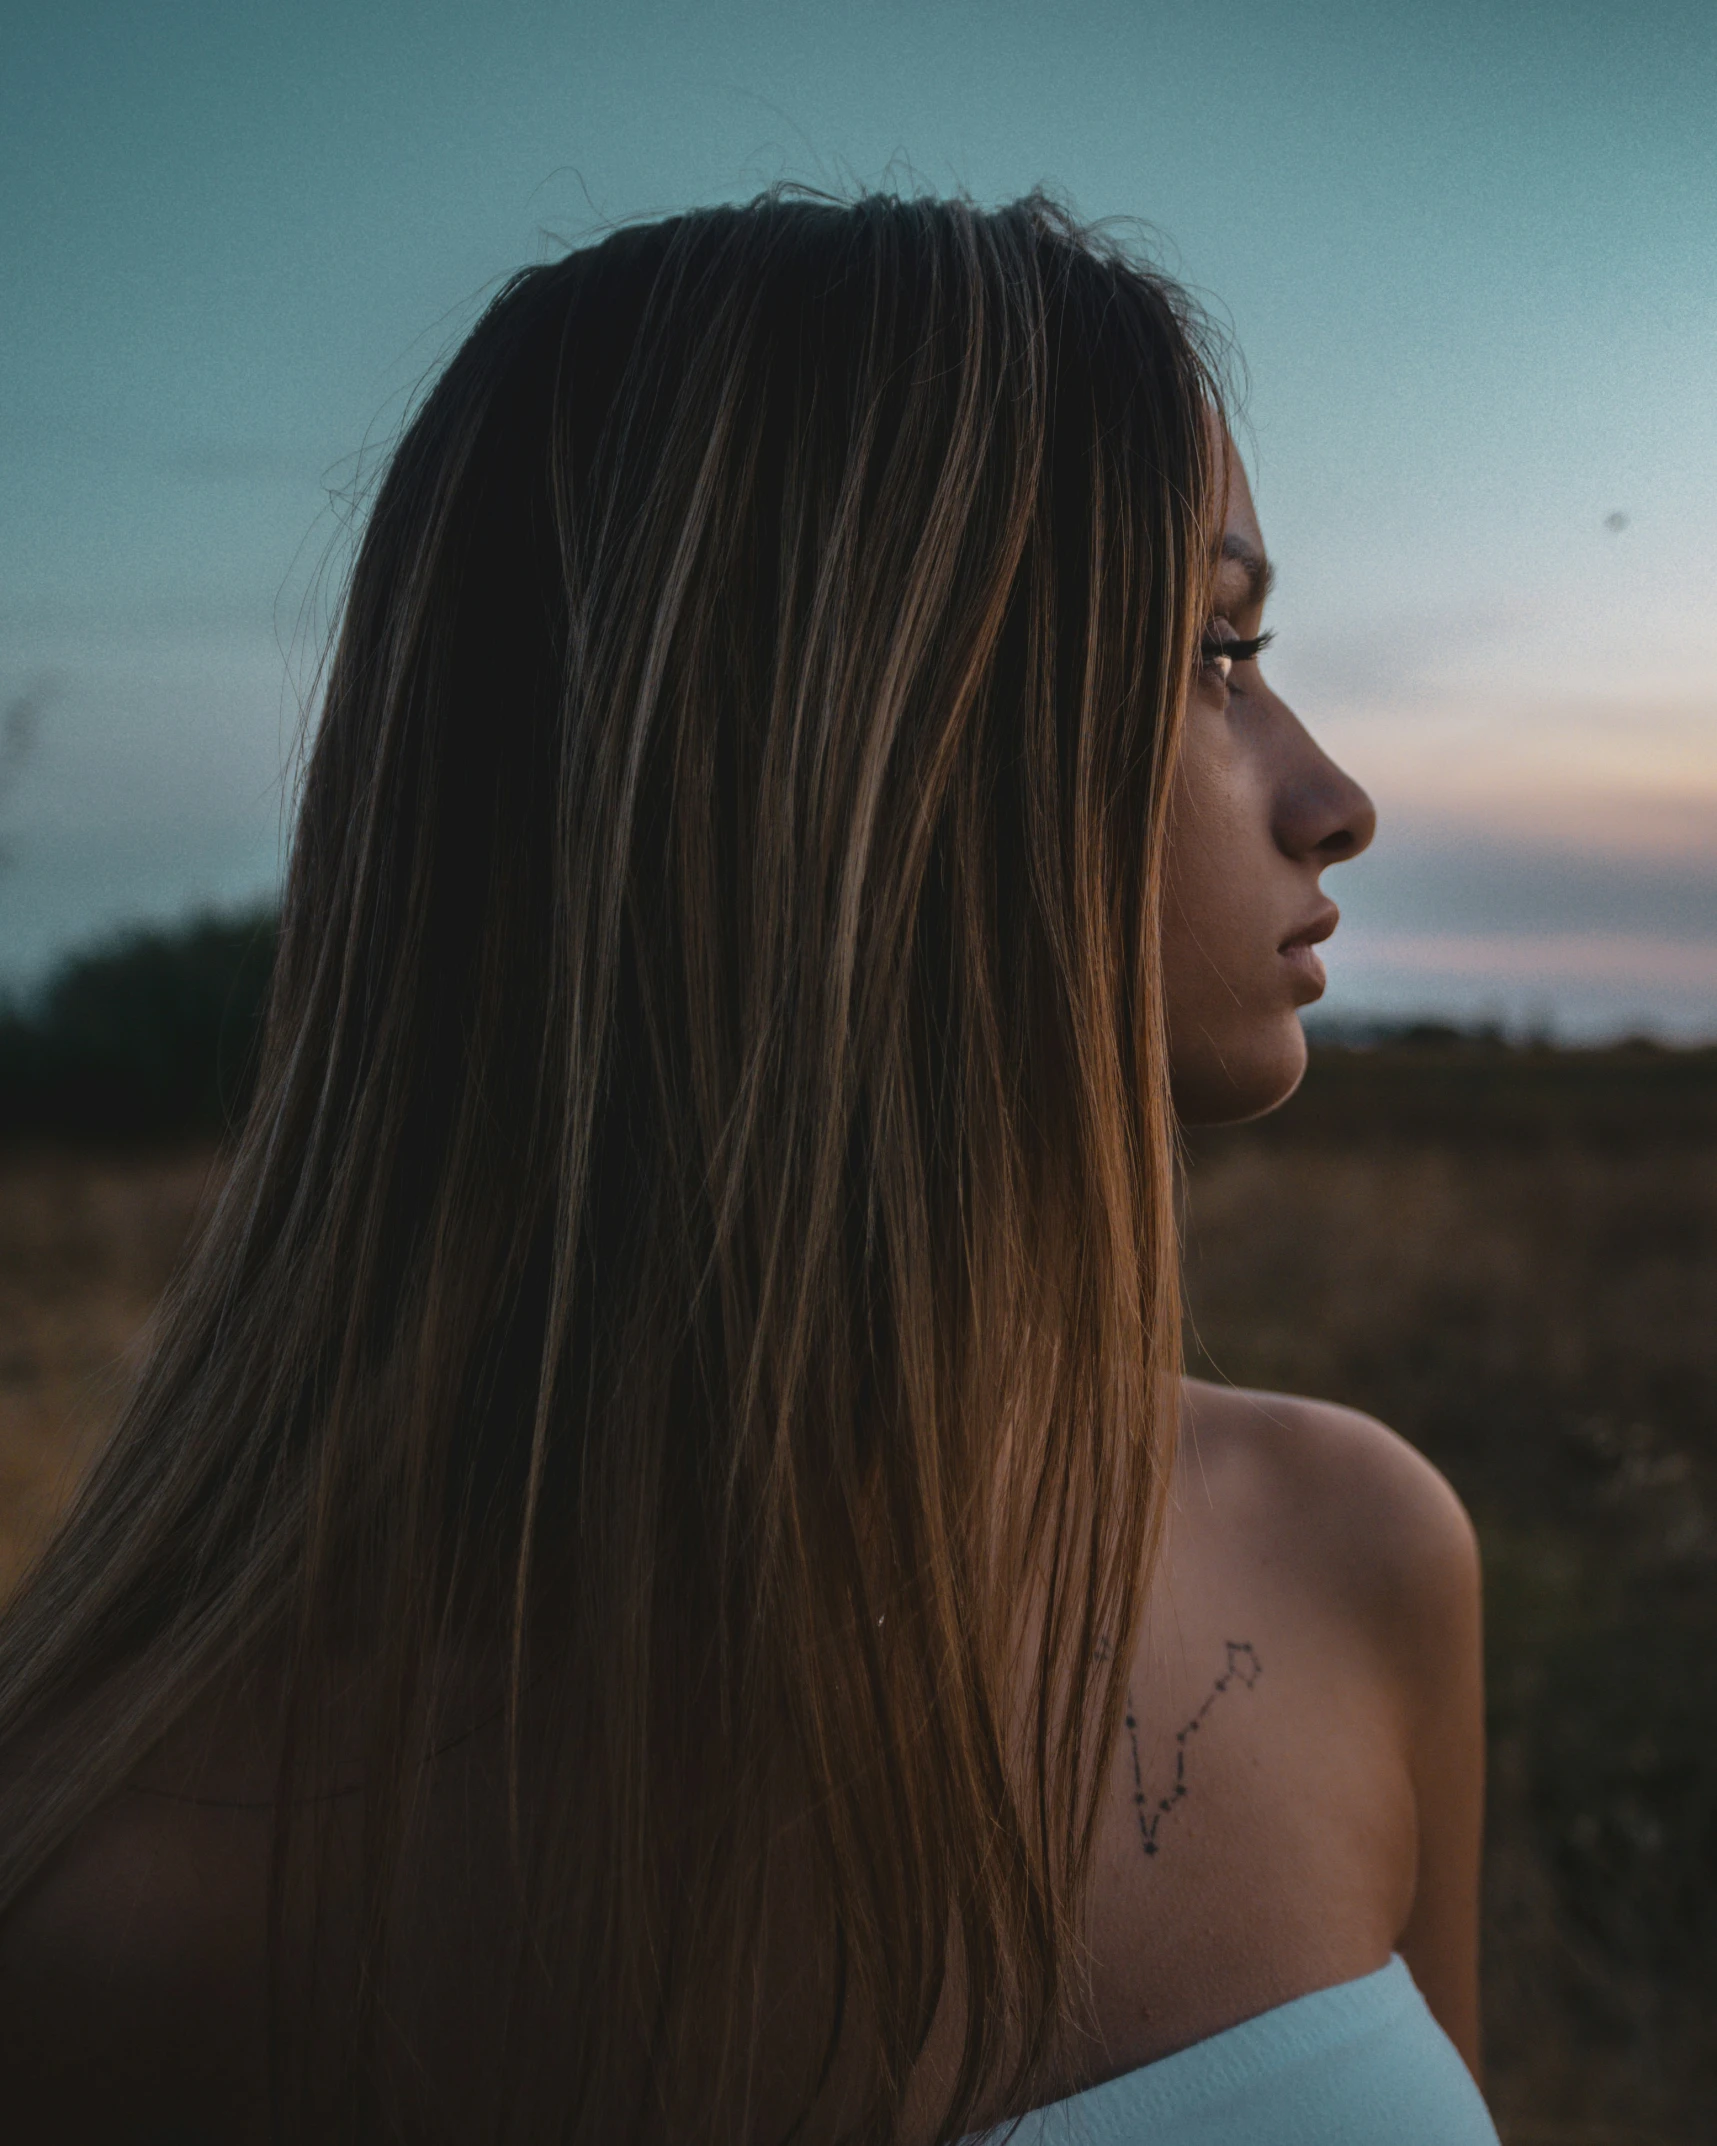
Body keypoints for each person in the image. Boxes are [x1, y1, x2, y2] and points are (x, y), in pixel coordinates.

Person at [0, 192, 1492, 2145]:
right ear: (845, 731)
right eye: (1214, 650)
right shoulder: (143, 1890)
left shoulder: (1353, 1549)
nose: (1336, 797)